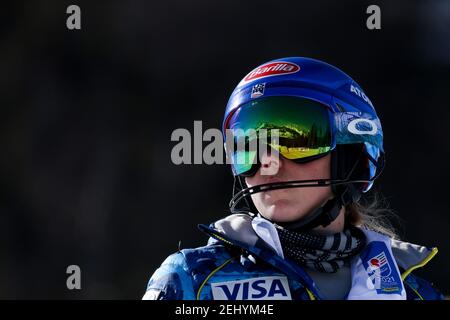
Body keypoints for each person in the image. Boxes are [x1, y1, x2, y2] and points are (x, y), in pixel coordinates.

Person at [143, 57, 443, 300]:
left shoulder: (413, 293)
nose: (268, 162)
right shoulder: (191, 281)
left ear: (351, 156)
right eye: (248, 145)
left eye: (298, 140)